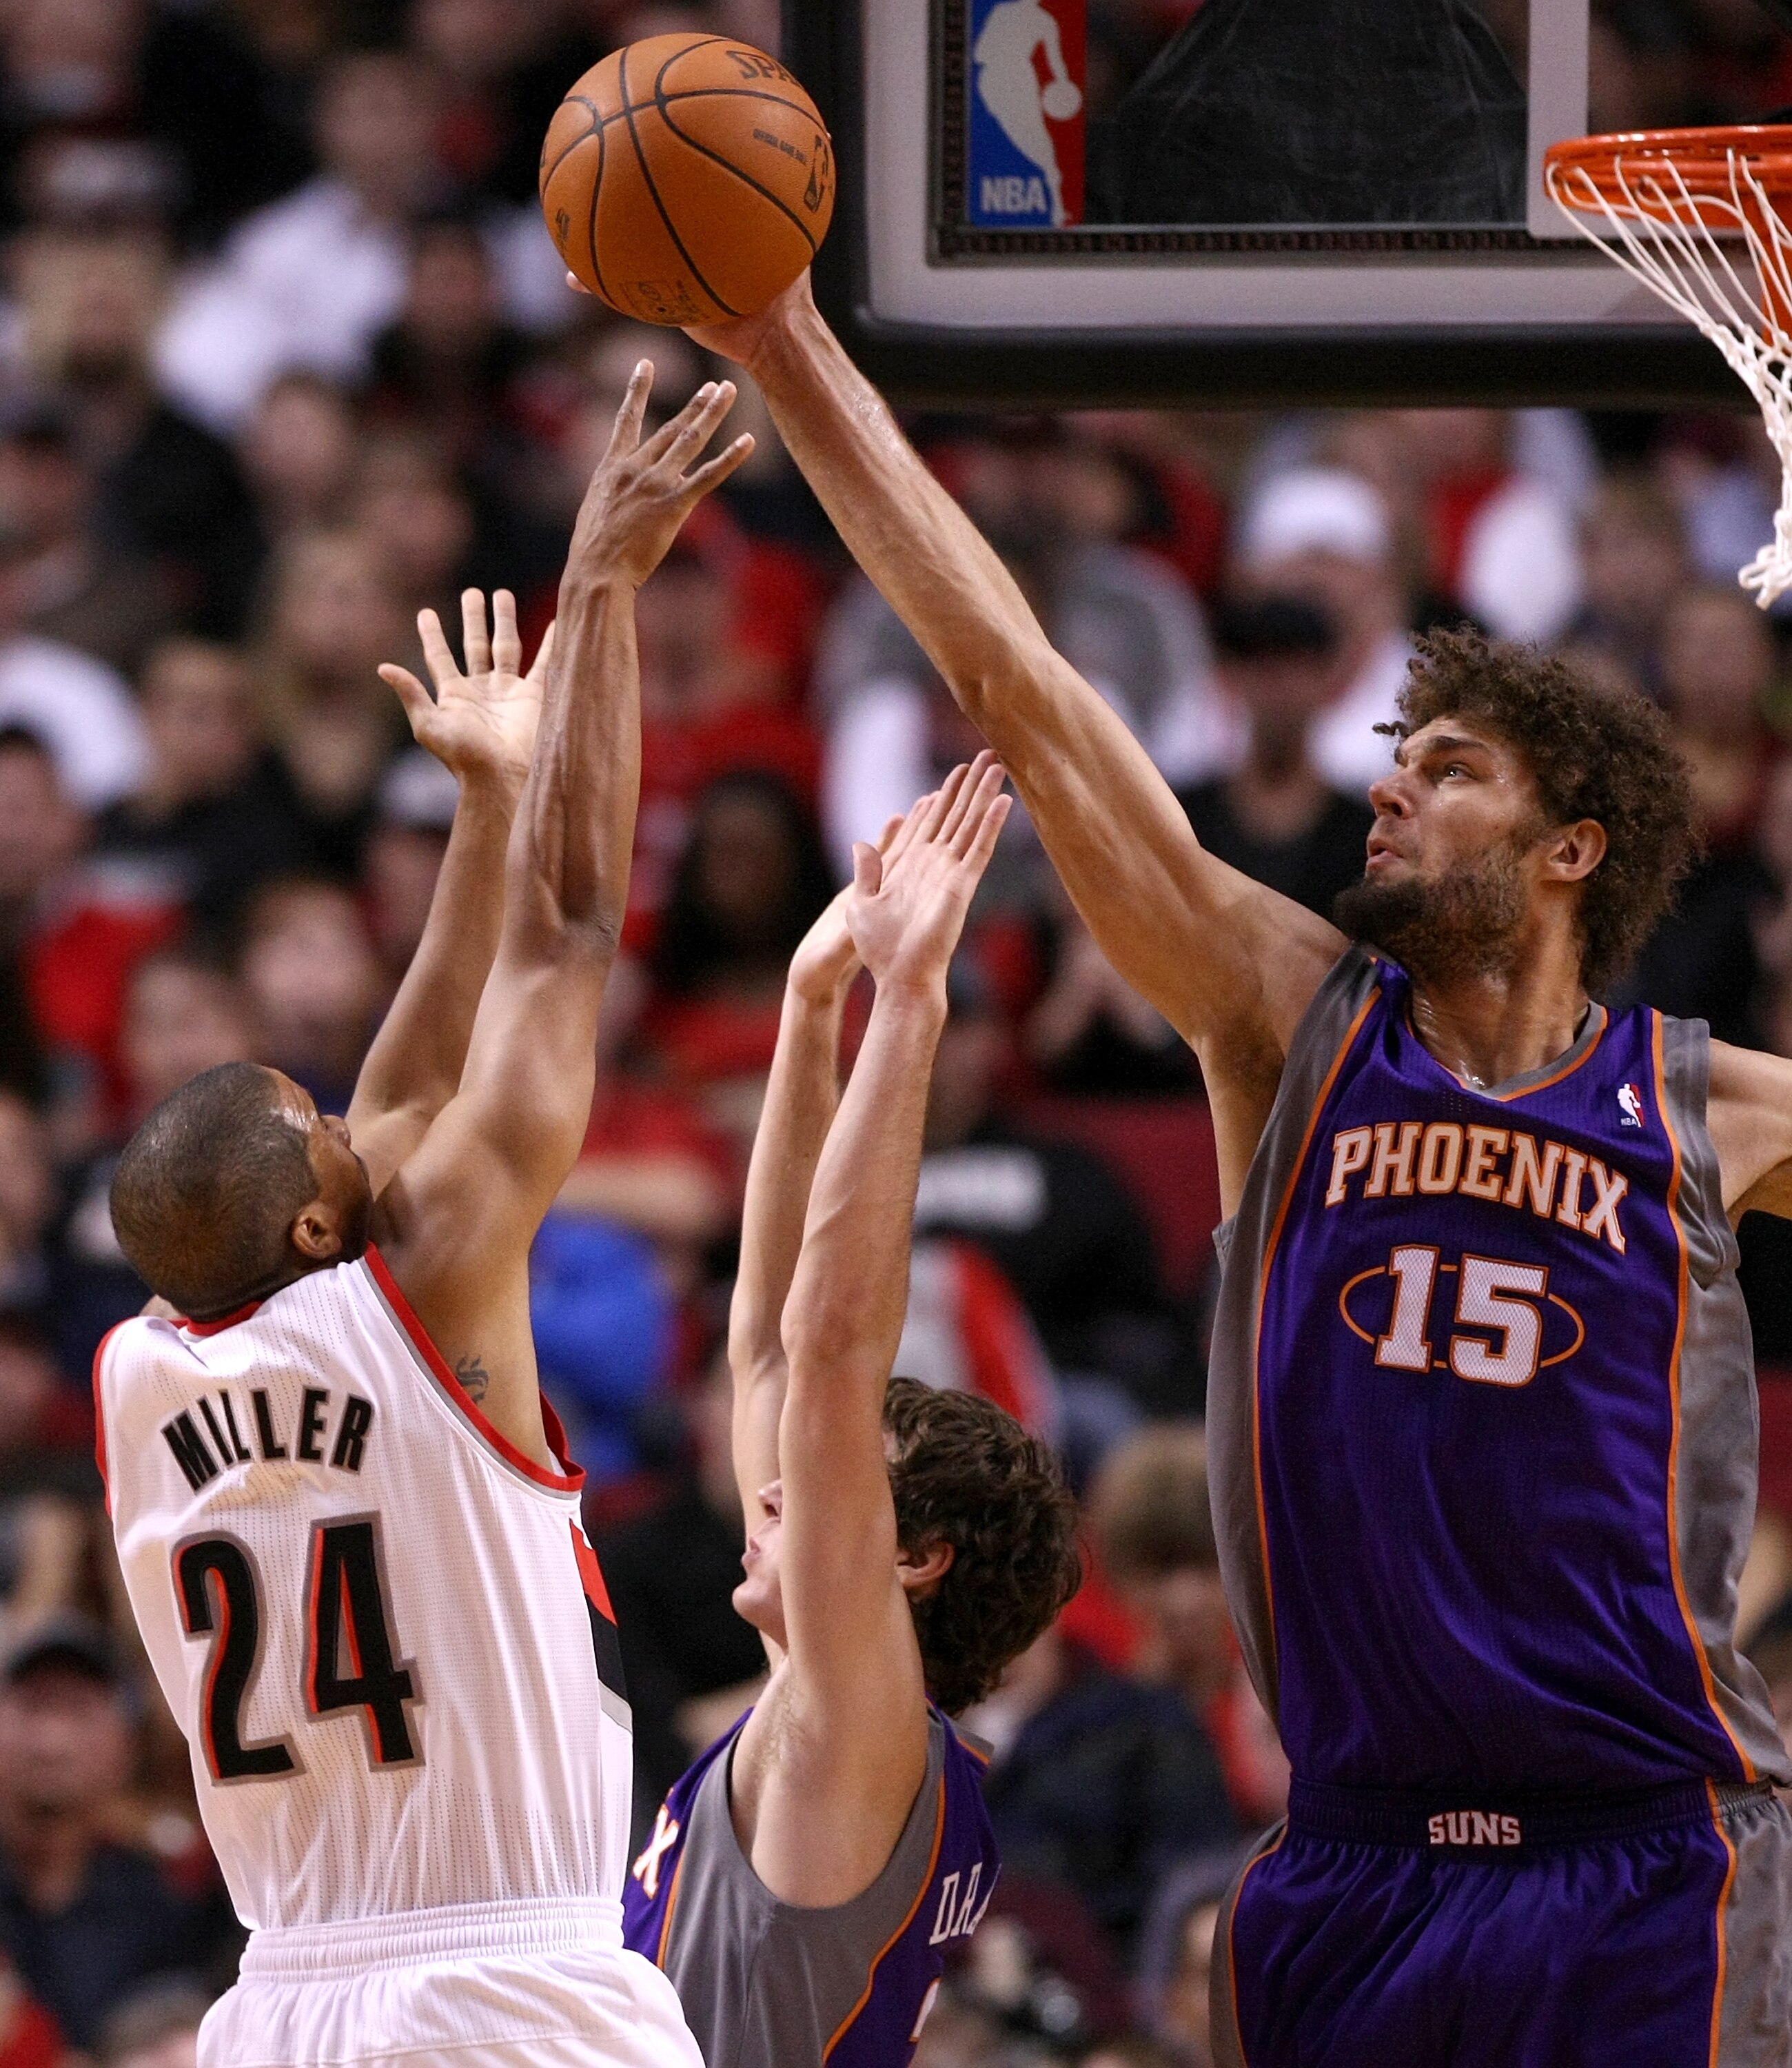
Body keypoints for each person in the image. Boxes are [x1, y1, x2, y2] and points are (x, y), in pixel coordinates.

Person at [684, 274, 1792, 2065]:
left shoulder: (1710, 1105)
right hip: (1350, 1869)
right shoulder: (1290, 1025)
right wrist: (785, 346)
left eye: (1447, 771)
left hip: (1658, 1858)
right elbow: (1020, 694)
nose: (1386, 794)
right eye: (1388, 761)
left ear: (1572, 847)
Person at [94, 368, 753, 2068]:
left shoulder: (141, 1367)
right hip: (512, 1989)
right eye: (314, 1131)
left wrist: (475, 800)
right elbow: (576, 934)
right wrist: (598, 591)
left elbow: (395, 1095)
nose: (345, 1115)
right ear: (322, 1226)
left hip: (282, 2002)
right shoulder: (428, 1280)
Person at [622, 759, 1083, 2068]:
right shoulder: (832, 1714)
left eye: (828, 1488)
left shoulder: (860, 1723)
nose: (769, 1488)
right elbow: (770, 1344)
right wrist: (813, 998)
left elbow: (828, 1349)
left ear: (910, 1559)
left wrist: (913, 1004)